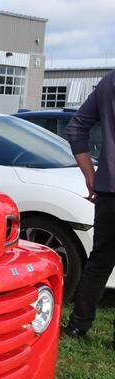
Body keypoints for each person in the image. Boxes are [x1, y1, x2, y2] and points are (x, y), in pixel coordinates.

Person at [62, 69, 115, 349]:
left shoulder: (109, 81)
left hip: (109, 189)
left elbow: (76, 127)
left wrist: (90, 175)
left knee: (100, 260)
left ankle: (78, 325)